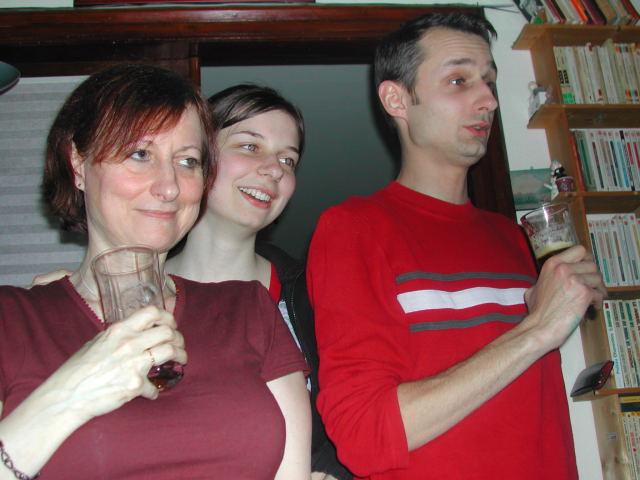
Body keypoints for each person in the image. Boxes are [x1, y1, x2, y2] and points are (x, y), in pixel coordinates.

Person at [306, 12, 606, 480]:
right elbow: (363, 436)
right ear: (397, 99)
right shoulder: (354, 228)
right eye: (459, 80)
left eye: (489, 82)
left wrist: (562, 304)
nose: (488, 100)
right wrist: (536, 330)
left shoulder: (513, 237)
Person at [0, 64, 310, 480]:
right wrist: (70, 392)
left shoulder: (249, 309)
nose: (169, 186)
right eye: (140, 154)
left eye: (188, 161)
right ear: (78, 163)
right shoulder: (11, 320)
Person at [167, 84, 352, 480]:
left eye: (288, 159)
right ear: (198, 155)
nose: (275, 169)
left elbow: (348, 427)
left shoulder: (317, 297)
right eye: (250, 146)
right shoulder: (130, 295)